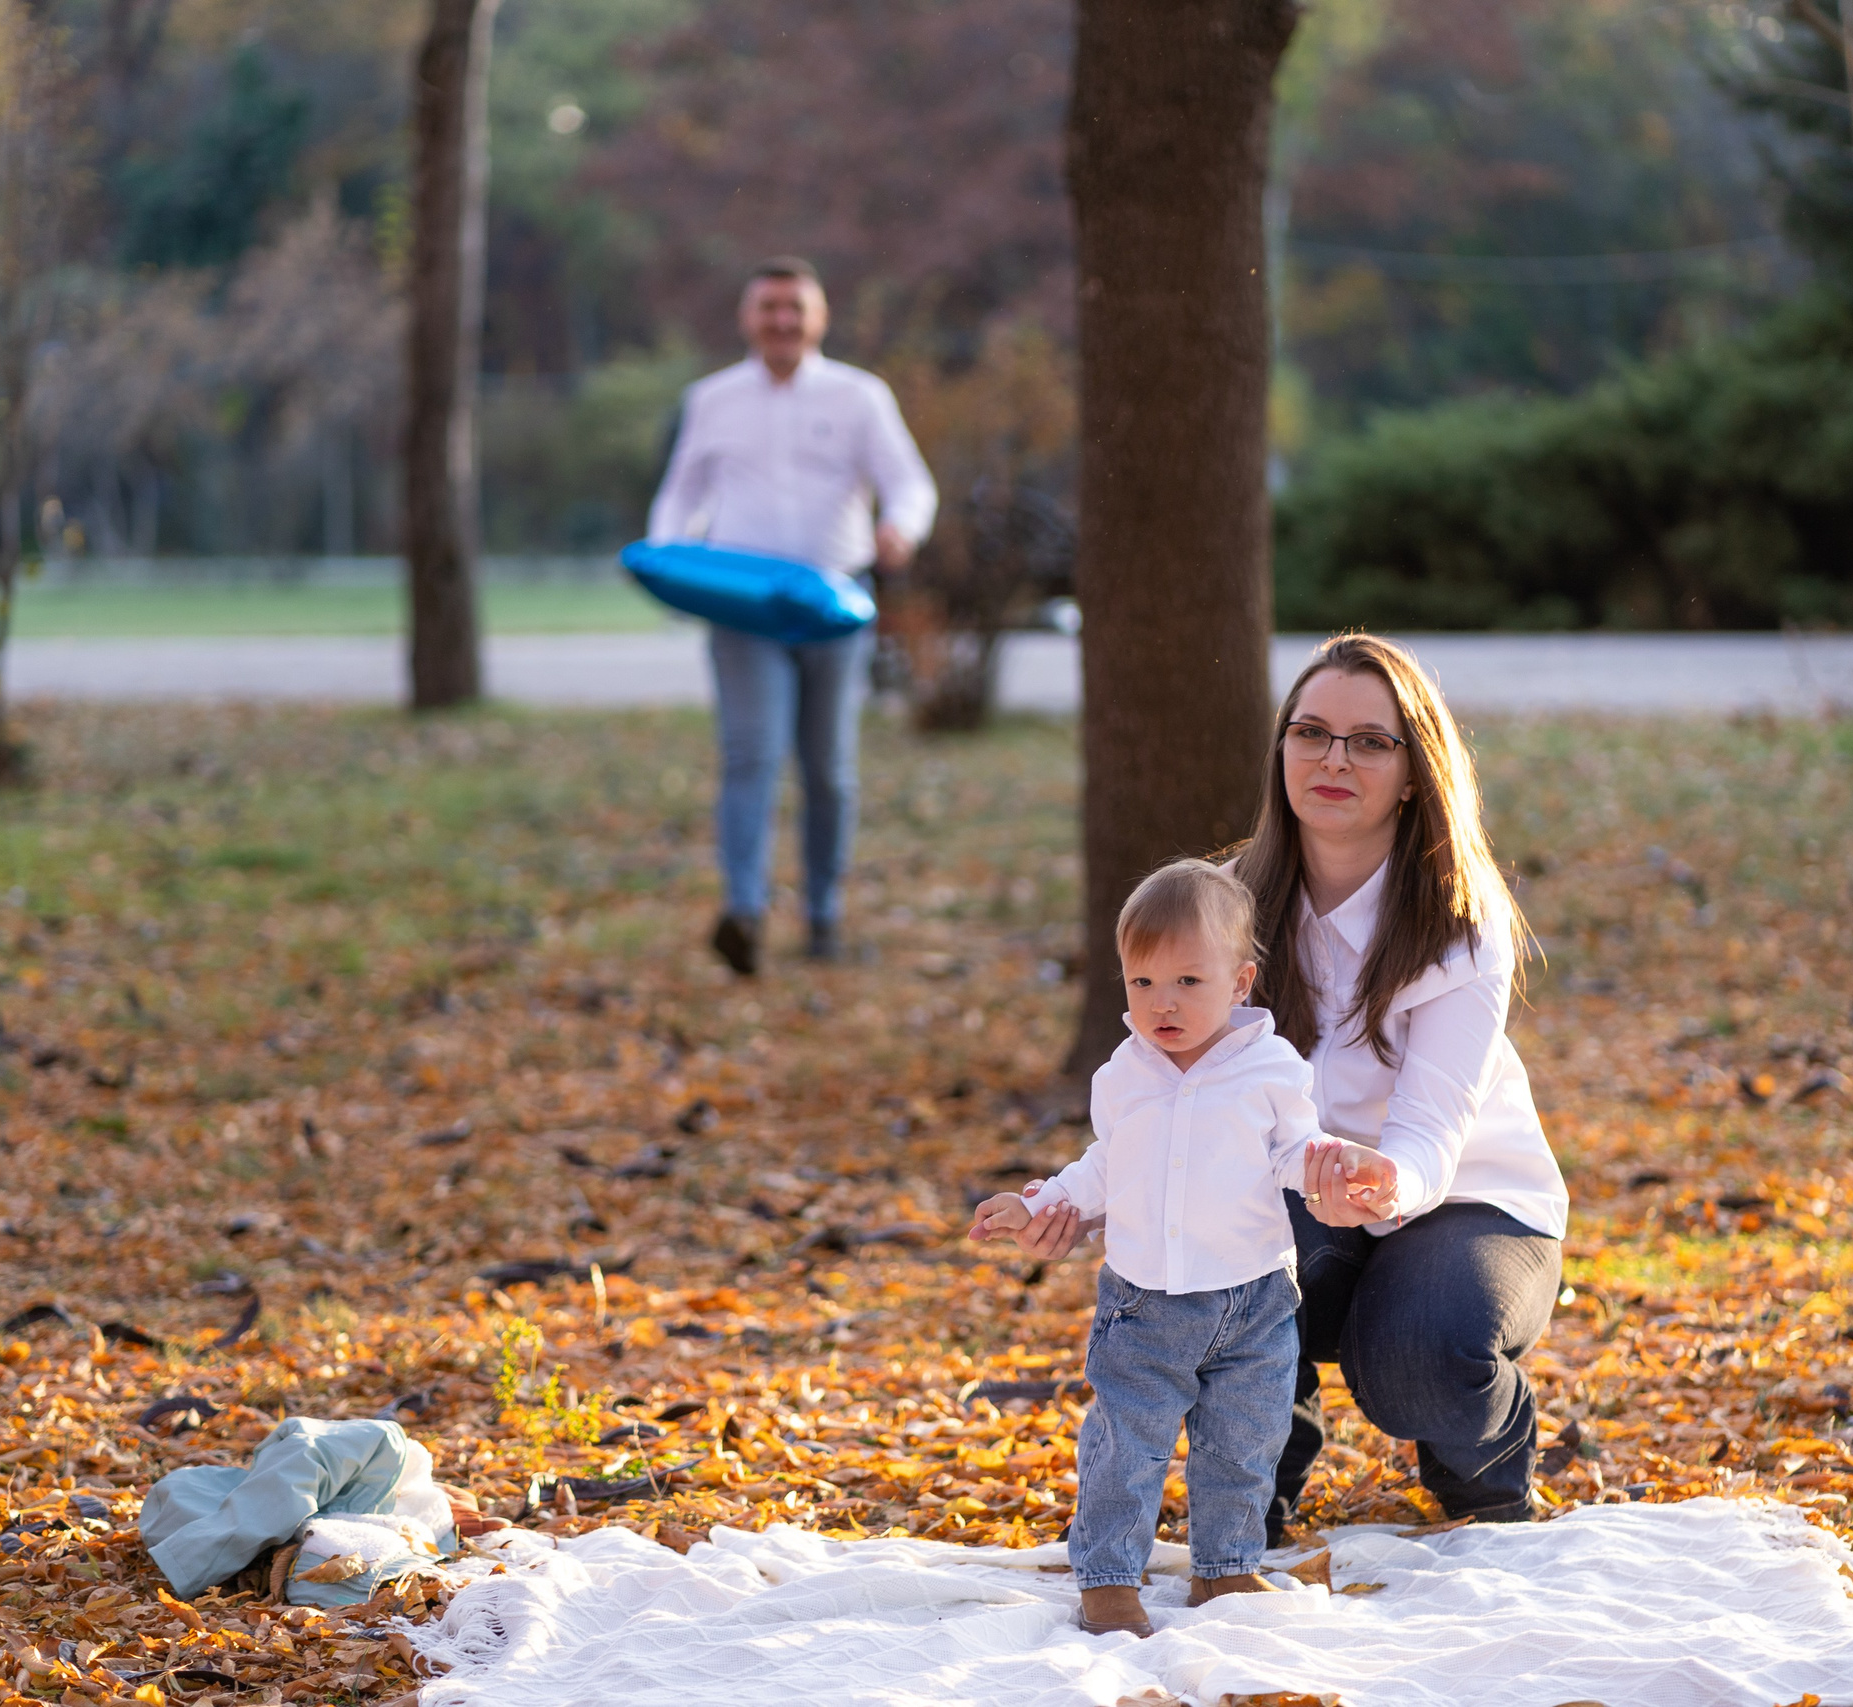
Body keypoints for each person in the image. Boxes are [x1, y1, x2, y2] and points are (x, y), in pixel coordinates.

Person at [1012, 634, 1570, 1537]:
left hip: (1464, 1194)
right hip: (1297, 1185)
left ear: (1415, 771)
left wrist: (1389, 1181)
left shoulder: (1462, 925)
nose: (1333, 758)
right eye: (1310, 731)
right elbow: (1169, 1096)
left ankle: (1486, 1462)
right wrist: (1079, 1201)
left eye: (1369, 740)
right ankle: (1259, 1476)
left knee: (1419, 1357)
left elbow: (1432, 1127)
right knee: (1225, 1260)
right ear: (1281, 753)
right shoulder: (1227, 906)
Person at [969, 859, 1398, 1638]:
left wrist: (1341, 1166)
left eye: (1188, 983)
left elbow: (1294, 1150)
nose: (1161, 1004)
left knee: (1244, 1440)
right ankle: (1107, 1576)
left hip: (1256, 1298)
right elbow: (1105, 1164)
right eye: (1142, 983)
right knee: (1126, 1445)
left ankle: (1226, 1567)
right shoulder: (1124, 1074)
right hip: (1146, 1304)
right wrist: (1042, 1201)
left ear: (1239, 983)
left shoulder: (1271, 1068)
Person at [646, 256, 938, 974]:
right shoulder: (711, 399)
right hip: (743, 609)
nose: (782, 320)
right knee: (750, 756)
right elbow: (680, 496)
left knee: (829, 769)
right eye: (768, 307)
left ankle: (823, 914)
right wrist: (667, 557)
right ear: (747, 317)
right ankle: (744, 911)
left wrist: (901, 527)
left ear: (819, 318)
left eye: (795, 308)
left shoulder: (859, 396)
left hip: (835, 607)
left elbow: (910, 486)